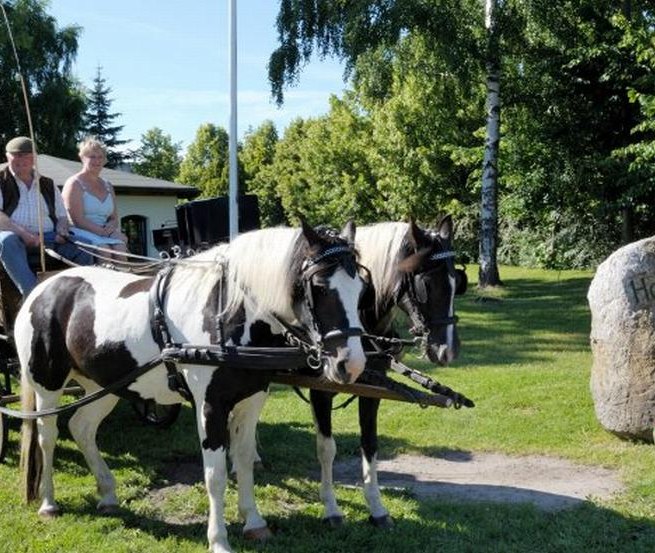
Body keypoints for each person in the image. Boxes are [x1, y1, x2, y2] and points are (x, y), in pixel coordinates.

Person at [0, 136, 93, 297]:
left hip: (49, 237)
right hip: (16, 238)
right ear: (8, 157)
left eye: (27, 157)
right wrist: (24, 234)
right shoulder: (1, 180)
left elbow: (62, 216)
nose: (21, 160)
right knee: (6, 241)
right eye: (16, 156)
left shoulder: (47, 184)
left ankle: (79, 296)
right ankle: (32, 294)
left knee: (85, 245)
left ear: (34, 159)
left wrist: (62, 231)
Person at [62, 137, 128, 259]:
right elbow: (77, 220)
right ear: (82, 158)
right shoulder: (74, 183)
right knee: (105, 250)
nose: (97, 161)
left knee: (120, 248)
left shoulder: (108, 185)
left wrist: (111, 227)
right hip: (80, 231)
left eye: (100, 157)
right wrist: (102, 232)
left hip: (104, 232)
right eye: (92, 157)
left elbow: (114, 218)